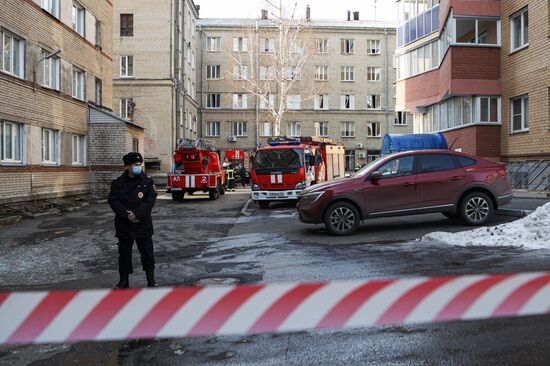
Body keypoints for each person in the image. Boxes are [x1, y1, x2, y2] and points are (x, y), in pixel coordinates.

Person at [108, 152, 158, 288]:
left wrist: (136, 214)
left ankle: (151, 279)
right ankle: (123, 281)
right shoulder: (118, 183)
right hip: (124, 225)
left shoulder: (147, 181)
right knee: (124, 254)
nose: (139, 167)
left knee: (147, 253)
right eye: (136, 165)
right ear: (127, 166)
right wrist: (126, 214)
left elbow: (150, 200)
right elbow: (113, 200)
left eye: (140, 164)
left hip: (142, 224)